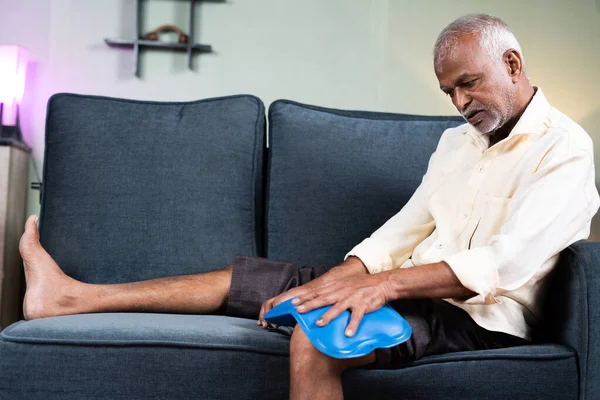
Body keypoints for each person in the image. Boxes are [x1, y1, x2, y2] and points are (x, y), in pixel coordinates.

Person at [18, 13, 599, 400]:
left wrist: (383, 288)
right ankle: (70, 297)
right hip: (413, 290)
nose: (459, 102)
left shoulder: (566, 149)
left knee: (317, 332)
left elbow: (508, 263)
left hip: (481, 322)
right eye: (449, 91)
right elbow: (406, 227)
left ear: (514, 65)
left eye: (468, 84)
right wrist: (347, 277)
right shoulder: (458, 143)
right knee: (253, 280)